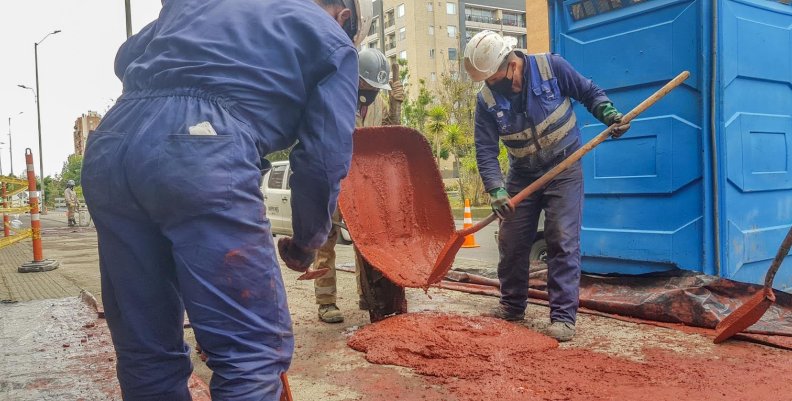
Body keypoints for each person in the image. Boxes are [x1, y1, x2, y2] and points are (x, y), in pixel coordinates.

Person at [81, 0, 368, 399]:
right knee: (249, 354)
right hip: (199, 151)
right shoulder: (331, 39)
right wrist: (306, 241)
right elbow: (322, 160)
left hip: (111, 149)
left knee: (146, 350)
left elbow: (126, 56)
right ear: (345, 15)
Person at [463, 31, 630, 342]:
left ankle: (563, 317)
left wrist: (607, 112)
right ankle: (512, 306)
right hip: (522, 173)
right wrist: (496, 189)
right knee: (511, 240)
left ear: (511, 65)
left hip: (564, 166)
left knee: (562, 239)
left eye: (493, 78)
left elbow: (588, 91)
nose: (490, 84)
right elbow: (485, 149)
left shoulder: (551, 68)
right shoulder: (486, 100)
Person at [313, 47, 404, 323]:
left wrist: (396, 103)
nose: (372, 90)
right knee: (326, 241)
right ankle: (326, 302)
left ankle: (366, 293)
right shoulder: (335, 97)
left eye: (377, 86)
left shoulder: (377, 102)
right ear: (357, 79)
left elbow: (389, 136)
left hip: (363, 182)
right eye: (368, 85)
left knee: (364, 242)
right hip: (334, 178)